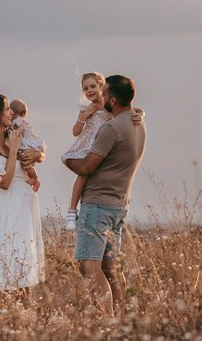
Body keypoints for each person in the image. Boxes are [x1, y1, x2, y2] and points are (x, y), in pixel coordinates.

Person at [63, 74, 146, 313]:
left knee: (90, 267)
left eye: (105, 91)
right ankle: (123, 321)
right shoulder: (137, 122)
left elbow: (87, 166)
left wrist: (68, 162)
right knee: (110, 267)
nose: (101, 94)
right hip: (118, 205)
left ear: (113, 99)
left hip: (98, 205)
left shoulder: (111, 128)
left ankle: (107, 323)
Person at [0, 93, 45, 293]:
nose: (11, 112)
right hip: (8, 207)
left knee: (26, 262)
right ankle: (9, 315)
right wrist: (13, 151)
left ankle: (24, 318)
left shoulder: (13, 138)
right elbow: (4, 182)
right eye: (6, 109)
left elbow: (37, 154)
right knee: (10, 258)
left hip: (25, 205)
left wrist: (38, 155)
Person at [61, 72, 144, 229]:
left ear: (102, 87)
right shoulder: (85, 108)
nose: (89, 90)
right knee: (83, 175)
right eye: (85, 88)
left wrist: (140, 115)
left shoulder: (108, 105)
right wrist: (84, 116)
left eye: (93, 86)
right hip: (89, 145)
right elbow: (75, 132)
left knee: (102, 173)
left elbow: (133, 109)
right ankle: (72, 211)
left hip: (105, 145)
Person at [8, 97, 44, 191]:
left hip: (28, 146)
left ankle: (34, 178)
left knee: (26, 164)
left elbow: (20, 130)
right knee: (26, 164)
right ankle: (33, 178)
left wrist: (14, 134)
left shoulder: (19, 121)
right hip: (29, 146)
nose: (11, 115)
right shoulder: (18, 121)